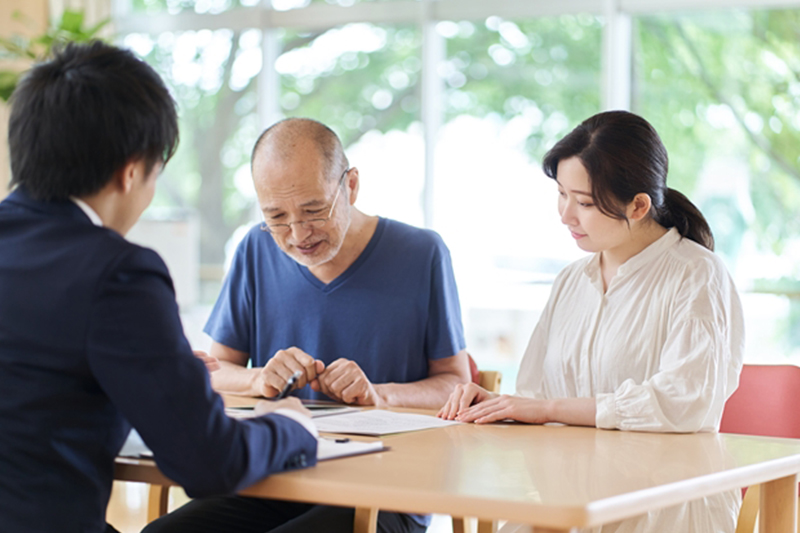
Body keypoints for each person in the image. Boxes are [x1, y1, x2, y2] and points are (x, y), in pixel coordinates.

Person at [0, 41, 318, 533]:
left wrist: (143, 371)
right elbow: (210, 462)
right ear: (131, 171)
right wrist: (293, 426)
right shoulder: (116, 272)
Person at [143, 117, 470, 532]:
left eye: (314, 210)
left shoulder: (422, 253)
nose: (298, 234)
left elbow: (453, 383)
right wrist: (259, 379)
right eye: (276, 216)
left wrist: (377, 394)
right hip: (277, 478)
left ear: (350, 186)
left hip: (386, 491)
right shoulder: (256, 249)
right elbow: (214, 372)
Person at [439, 110, 744, 533]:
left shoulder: (696, 274)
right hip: (570, 502)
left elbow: (683, 402)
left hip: (664, 511)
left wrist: (547, 409)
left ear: (639, 205)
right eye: (562, 194)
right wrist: (499, 408)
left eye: (583, 202)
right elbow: (536, 393)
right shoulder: (571, 280)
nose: (566, 214)